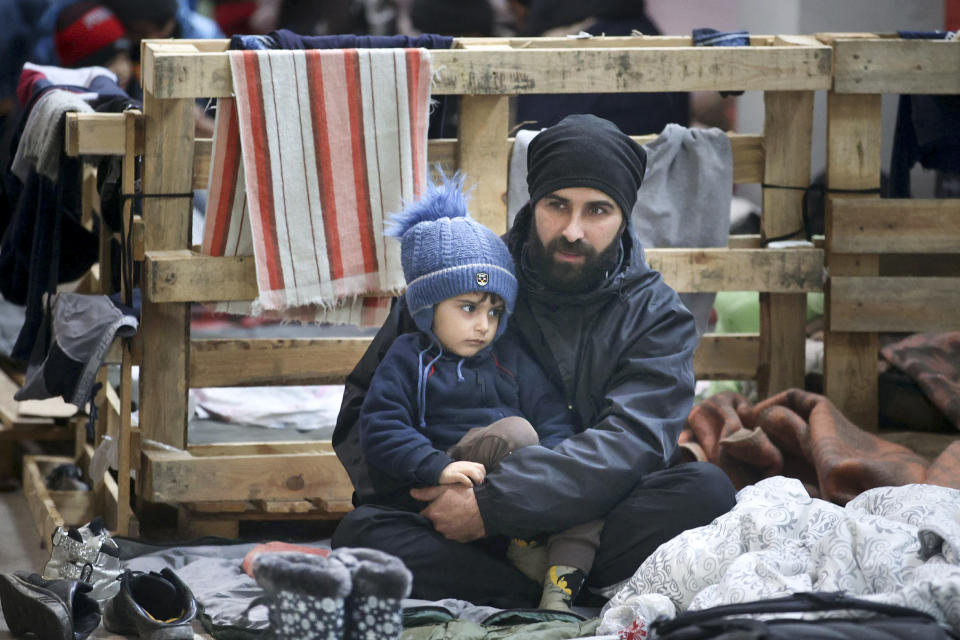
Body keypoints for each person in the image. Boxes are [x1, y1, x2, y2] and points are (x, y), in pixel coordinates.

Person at [332, 114, 737, 608]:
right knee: (363, 533)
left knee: (706, 490)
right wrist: (428, 481)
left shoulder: (655, 314)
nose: (572, 229)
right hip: (456, 507)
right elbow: (362, 412)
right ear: (534, 202)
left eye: (597, 211)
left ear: (624, 215)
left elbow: (633, 442)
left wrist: (496, 505)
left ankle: (526, 584)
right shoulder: (464, 276)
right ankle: (543, 589)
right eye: (558, 205)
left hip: (587, 517)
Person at [359, 171, 603, 612]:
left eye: (494, 312)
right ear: (427, 306)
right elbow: (380, 426)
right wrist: (434, 467)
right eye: (468, 308)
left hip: (517, 494)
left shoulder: (509, 357)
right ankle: (520, 571)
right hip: (445, 488)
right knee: (359, 533)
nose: (482, 326)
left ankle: (558, 584)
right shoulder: (406, 358)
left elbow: (552, 417)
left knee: (586, 488)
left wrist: (550, 471)